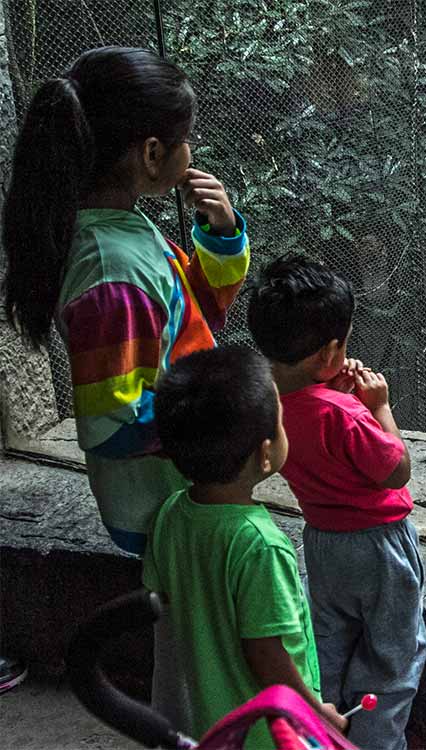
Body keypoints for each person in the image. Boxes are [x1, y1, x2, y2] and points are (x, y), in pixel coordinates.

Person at [0, 45, 249, 724]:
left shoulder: (119, 228)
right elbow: (112, 421)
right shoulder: (112, 269)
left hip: (177, 482)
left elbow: (195, 312)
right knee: (200, 650)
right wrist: (222, 424)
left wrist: (222, 234)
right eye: (185, 138)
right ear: (151, 153)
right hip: (170, 495)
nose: (192, 152)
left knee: (191, 639)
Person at [246, 255, 426, 750]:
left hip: (324, 543)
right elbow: (396, 469)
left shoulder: (266, 402)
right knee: (393, 657)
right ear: (329, 352)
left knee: (327, 641)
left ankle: (317, 731)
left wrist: (330, 387)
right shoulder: (344, 413)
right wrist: (379, 406)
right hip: (380, 548)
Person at [144, 346, 346, 746]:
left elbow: (163, 600)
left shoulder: (170, 514)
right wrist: (315, 714)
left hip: (213, 724)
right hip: (270, 734)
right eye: (282, 423)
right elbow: (267, 655)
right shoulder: (261, 546)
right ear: (265, 453)